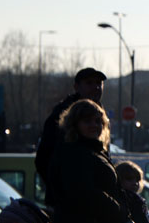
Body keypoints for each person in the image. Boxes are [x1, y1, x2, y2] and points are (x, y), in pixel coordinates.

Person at [35, 67, 106, 208]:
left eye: (99, 83)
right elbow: (43, 159)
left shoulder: (100, 114)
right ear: (76, 87)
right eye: (89, 83)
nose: (96, 87)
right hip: (70, 209)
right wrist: (62, 193)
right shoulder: (61, 115)